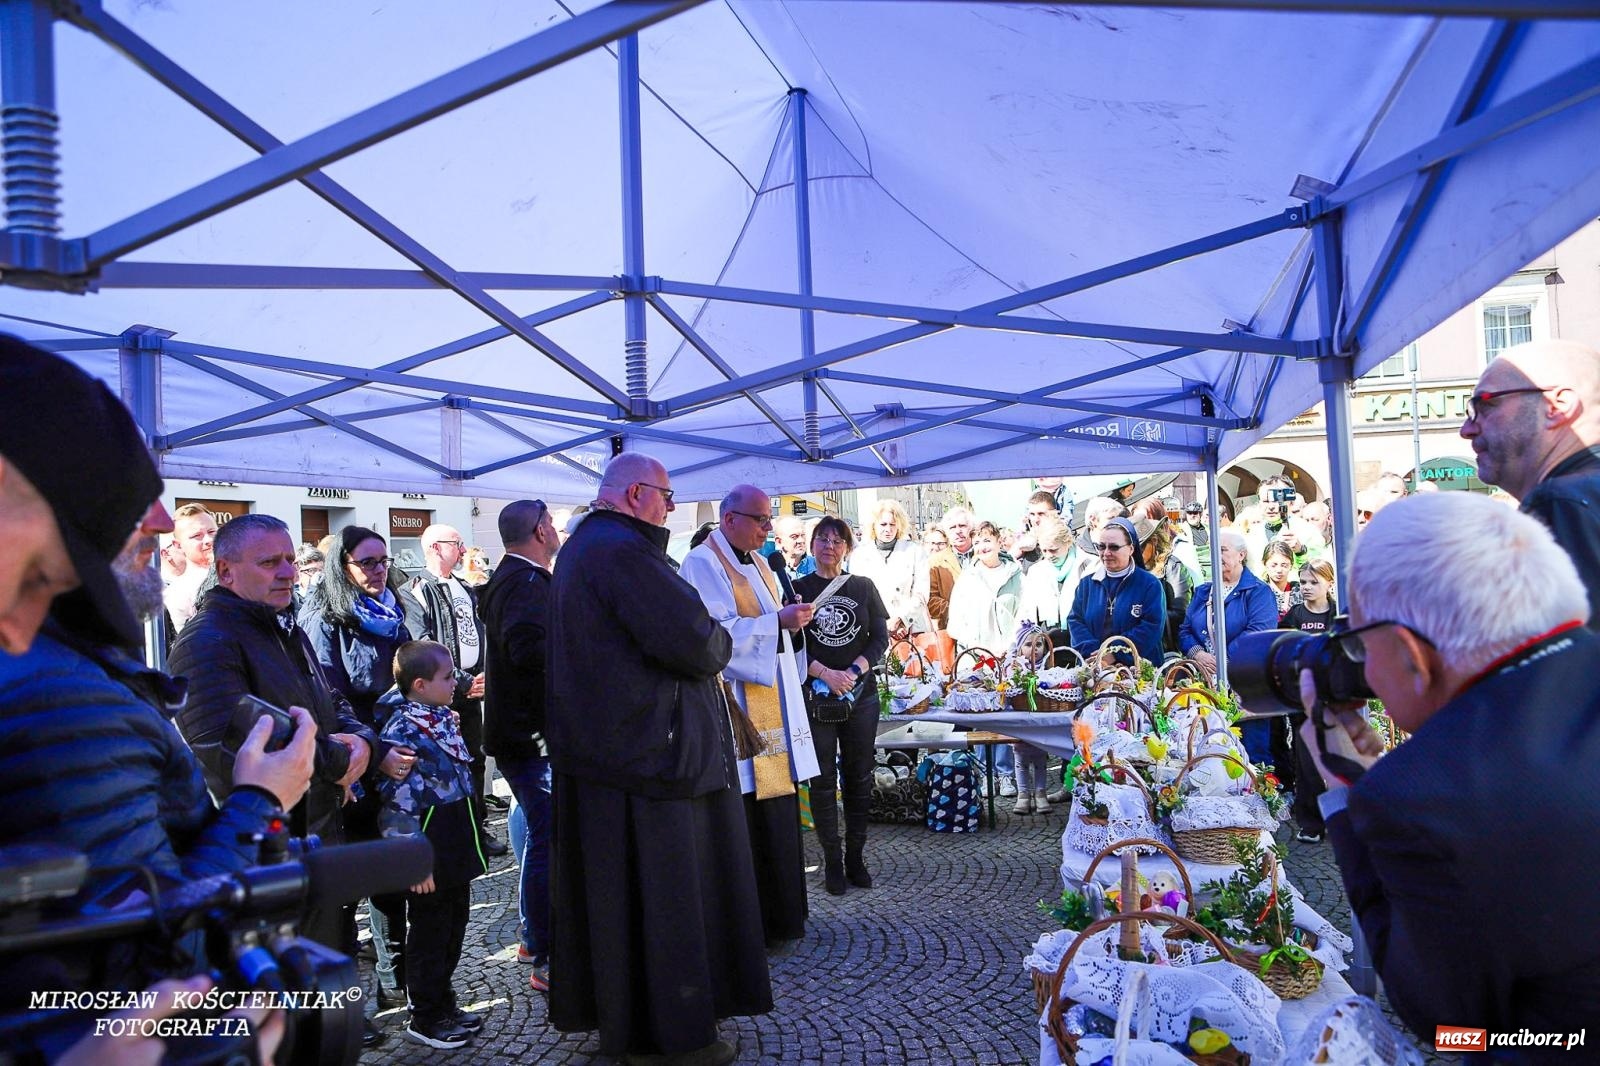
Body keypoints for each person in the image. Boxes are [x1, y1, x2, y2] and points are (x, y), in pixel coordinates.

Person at [0, 339, 312, 1062]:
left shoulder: (61, 663)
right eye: (128, 492)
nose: (165, 524)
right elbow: (153, 948)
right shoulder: (59, 693)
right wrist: (258, 801)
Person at [1295, 493, 1600, 1045]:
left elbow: (1448, 1029)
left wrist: (1346, 793)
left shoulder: (1419, 797)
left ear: (1413, 654)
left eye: (1361, 646)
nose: (1364, 673)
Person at [546, 453, 769, 1066]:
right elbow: (697, 640)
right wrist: (720, 640)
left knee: (625, 902)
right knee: (667, 899)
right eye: (667, 497)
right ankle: (673, 1033)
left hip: (615, 756)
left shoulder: (587, 548)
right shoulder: (621, 552)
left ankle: (634, 1022)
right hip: (650, 761)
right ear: (637, 494)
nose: (672, 508)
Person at [169, 514, 377, 951]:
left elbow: (329, 700)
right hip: (266, 854)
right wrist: (342, 762)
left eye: (288, 559)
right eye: (269, 562)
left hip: (317, 834)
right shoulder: (206, 643)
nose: (287, 571)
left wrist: (362, 741)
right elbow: (235, 751)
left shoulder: (283, 626)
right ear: (225, 570)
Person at [680, 484, 818, 945]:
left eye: (768, 520)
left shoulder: (760, 562)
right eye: (760, 520)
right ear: (729, 519)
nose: (768, 528)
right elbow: (712, 636)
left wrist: (787, 622)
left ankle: (784, 913)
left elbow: (769, 623)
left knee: (776, 803)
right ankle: (752, 920)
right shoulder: (702, 563)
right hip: (737, 702)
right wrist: (777, 622)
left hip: (772, 693)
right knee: (747, 807)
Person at [378, 641, 489, 1050]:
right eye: (448, 677)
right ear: (421, 685)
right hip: (426, 844)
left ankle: (444, 1001)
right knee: (429, 930)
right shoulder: (402, 728)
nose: (455, 682)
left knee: (454, 922)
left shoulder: (441, 715)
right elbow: (397, 800)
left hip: (454, 834)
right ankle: (424, 1014)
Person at [477, 498, 560, 993]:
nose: (555, 531)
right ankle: (545, 953)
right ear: (536, 531)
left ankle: (534, 937)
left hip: (521, 734)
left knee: (533, 833)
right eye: (550, 524)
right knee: (547, 838)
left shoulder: (518, 577)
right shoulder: (525, 582)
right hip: (532, 737)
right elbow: (529, 650)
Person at [1460, 339, 1600, 627]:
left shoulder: (1561, 503)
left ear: (1556, 406)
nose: (1467, 429)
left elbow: (1560, 664)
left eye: (1486, 405)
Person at [794, 517, 889, 894]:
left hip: (860, 693)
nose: (829, 546)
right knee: (821, 779)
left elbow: (879, 638)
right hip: (817, 694)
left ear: (847, 547)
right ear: (812, 544)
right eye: (822, 539)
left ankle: (855, 856)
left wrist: (852, 671)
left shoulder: (863, 586)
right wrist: (825, 674)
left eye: (837, 540)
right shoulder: (797, 588)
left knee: (859, 775)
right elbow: (794, 641)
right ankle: (832, 859)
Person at [403, 524, 502, 858]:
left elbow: (480, 632)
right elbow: (422, 639)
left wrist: (484, 674)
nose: (462, 551)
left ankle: (478, 825)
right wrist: (460, 679)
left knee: (474, 760)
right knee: (445, 766)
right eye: (456, 544)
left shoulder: (464, 586)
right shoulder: (417, 590)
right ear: (434, 547)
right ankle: (452, 834)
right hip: (441, 693)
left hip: (473, 689)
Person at [1177, 529, 1279, 766]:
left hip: (1246, 685)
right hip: (1206, 683)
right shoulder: (1204, 592)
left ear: (1241, 555)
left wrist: (1220, 659)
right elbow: (1184, 630)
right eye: (1214, 550)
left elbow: (1258, 634)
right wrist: (1197, 653)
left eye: (1223, 550)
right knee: (1211, 751)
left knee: (1251, 758)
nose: (1217, 555)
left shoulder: (1258, 592)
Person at [946, 520, 1023, 794]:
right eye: (976, 542)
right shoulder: (967, 577)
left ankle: (1004, 774)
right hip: (975, 656)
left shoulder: (1015, 574)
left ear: (999, 542)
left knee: (1002, 715)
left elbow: (1022, 613)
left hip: (1005, 655)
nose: (981, 547)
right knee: (977, 714)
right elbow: (956, 620)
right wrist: (976, 646)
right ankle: (983, 774)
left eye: (986, 541)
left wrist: (1009, 644)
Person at [1280, 559, 1336, 843]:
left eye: (1314, 582)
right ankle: (1311, 822)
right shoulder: (1294, 616)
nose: (1307, 588)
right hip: (1302, 701)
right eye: (1303, 582)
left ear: (1329, 583)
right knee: (1307, 763)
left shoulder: (1338, 614)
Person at [1066, 516, 1166, 667]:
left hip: (1138, 670)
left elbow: (1151, 627)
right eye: (1101, 546)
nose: (1106, 553)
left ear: (1131, 549)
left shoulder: (1149, 585)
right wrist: (1096, 654)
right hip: (1094, 666)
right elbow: (1075, 621)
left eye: (1113, 547)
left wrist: (1115, 653)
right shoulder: (1086, 584)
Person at [850, 499, 930, 641]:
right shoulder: (860, 555)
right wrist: (882, 625)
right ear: (873, 525)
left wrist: (901, 619)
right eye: (883, 524)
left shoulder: (915, 551)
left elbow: (921, 593)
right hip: (873, 631)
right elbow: (858, 596)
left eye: (892, 524)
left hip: (910, 629)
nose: (888, 529)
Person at [162, 501, 216, 632]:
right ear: (178, 545)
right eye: (197, 536)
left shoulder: (241, 575)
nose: (208, 540)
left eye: (212, 531)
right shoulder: (177, 593)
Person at [1016, 516, 1078, 630]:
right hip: (1049, 638)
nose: (1049, 556)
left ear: (1068, 543)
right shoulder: (1036, 572)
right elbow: (1027, 612)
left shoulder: (1086, 566)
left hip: (1080, 636)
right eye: (1044, 551)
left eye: (1053, 550)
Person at [923, 525, 959, 632]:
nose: (935, 547)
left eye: (940, 544)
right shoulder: (916, 565)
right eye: (931, 543)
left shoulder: (952, 565)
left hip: (947, 626)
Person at [1260, 539, 1300, 618]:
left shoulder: (1299, 590)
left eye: (1284, 565)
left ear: (1291, 565)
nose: (1279, 570)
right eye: (1274, 565)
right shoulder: (1257, 592)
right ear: (1264, 564)